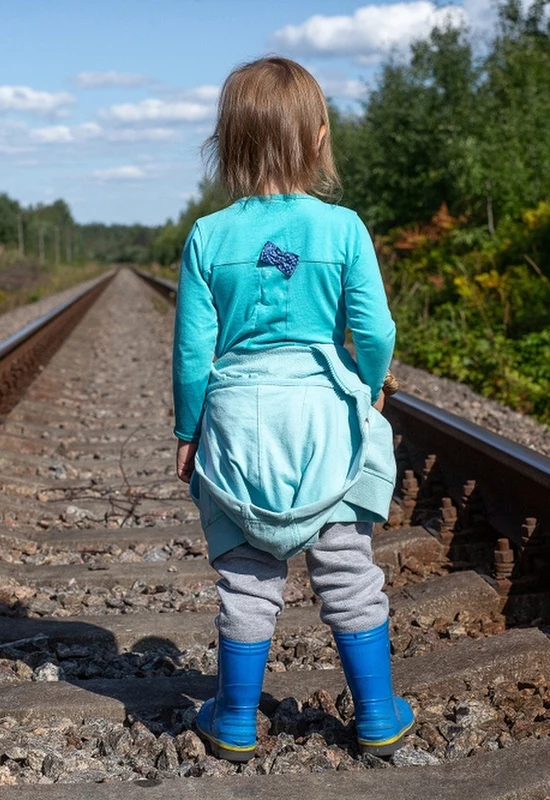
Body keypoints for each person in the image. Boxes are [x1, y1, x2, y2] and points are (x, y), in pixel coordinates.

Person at [171, 56, 411, 762]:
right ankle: (376, 714)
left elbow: (192, 356)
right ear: (319, 136)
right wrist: (371, 386)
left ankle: (236, 722)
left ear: (228, 144)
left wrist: (189, 431)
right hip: (324, 420)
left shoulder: (209, 238)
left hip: (241, 421)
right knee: (345, 565)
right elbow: (374, 331)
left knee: (248, 573)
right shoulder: (342, 229)